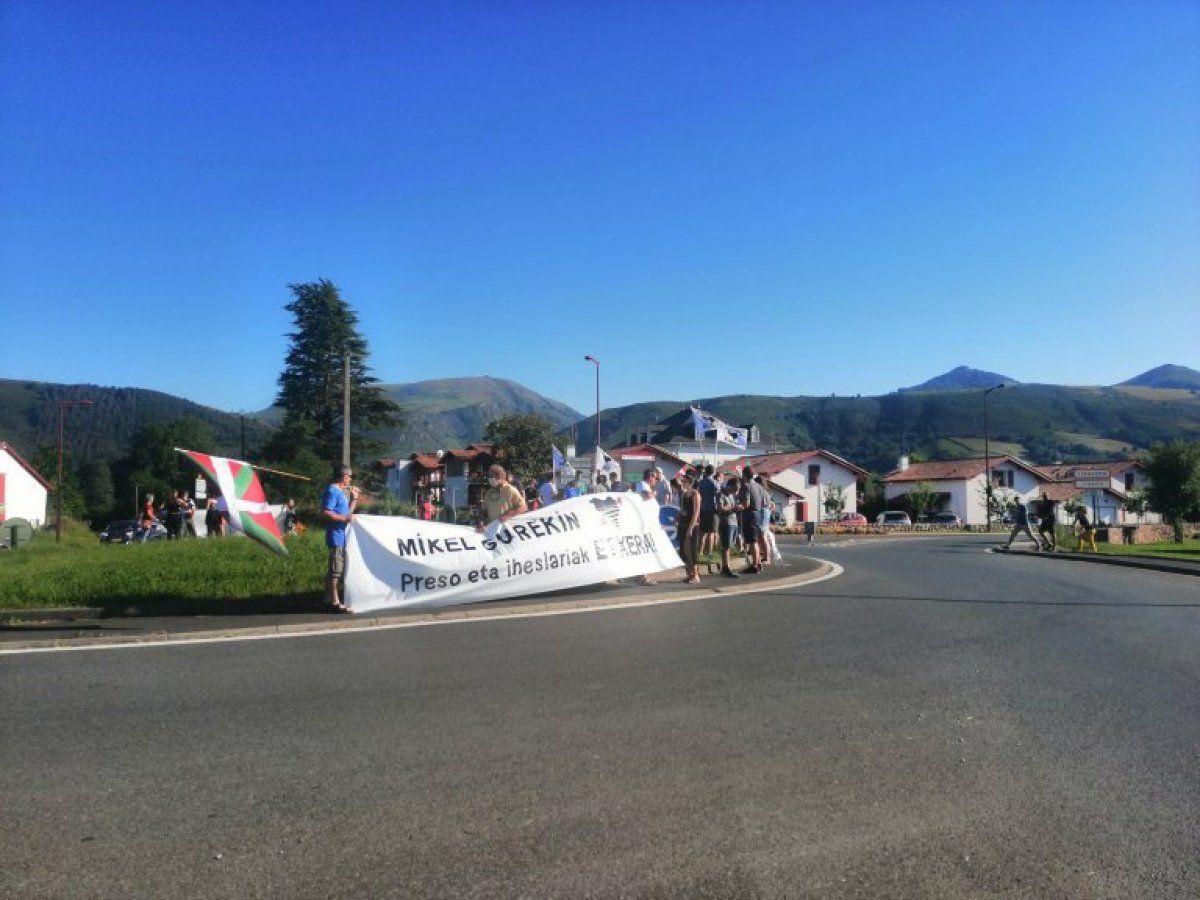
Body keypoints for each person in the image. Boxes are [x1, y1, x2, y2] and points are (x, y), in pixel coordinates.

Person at [322, 464, 360, 613]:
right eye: (349, 477)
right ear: (344, 477)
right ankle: (335, 602)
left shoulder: (340, 492)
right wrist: (344, 519)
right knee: (335, 570)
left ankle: (328, 599)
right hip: (335, 535)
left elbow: (347, 513)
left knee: (336, 569)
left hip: (341, 535)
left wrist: (354, 499)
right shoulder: (332, 491)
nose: (350, 479)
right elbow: (326, 512)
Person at [738, 466, 769, 573]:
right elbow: (763, 501)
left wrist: (738, 506)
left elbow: (746, 503)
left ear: (744, 474)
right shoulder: (758, 486)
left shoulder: (746, 486)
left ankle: (755, 565)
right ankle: (758, 562)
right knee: (756, 540)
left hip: (749, 514)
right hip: (758, 513)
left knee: (752, 541)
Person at [480, 464, 527, 529]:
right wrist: (481, 522)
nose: (489, 479)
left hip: (507, 530)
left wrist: (508, 515)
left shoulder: (510, 489)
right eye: (488, 476)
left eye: (491, 476)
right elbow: (483, 511)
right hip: (492, 530)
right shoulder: (489, 492)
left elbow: (523, 507)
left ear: (499, 476)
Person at [676, 473, 701, 584]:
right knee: (683, 551)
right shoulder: (684, 494)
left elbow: (696, 512)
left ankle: (696, 575)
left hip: (692, 525)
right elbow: (682, 509)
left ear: (690, 482)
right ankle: (689, 574)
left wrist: (691, 528)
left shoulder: (695, 494)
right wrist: (677, 517)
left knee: (691, 550)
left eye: (684, 481)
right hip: (683, 524)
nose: (682, 483)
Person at [716, 477, 741, 578]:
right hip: (726, 522)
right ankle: (726, 568)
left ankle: (726, 567)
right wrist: (733, 507)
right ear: (729, 486)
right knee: (726, 546)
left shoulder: (731, 495)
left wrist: (737, 507)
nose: (736, 491)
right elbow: (720, 508)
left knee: (729, 546)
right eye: (735, 489)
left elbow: (731, 506)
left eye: (737, 489)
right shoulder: (720, 494)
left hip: (733, 521)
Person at [696, 465, 720, 561]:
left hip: (703, 508)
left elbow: (699, 494)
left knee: (702, 532)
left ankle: (700, 552)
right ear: (713, 472)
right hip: (712, 509)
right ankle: (709, 553)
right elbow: (718, 496)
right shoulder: (715, 483)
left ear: (705, 472)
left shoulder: (700, 482)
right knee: (711, 532)